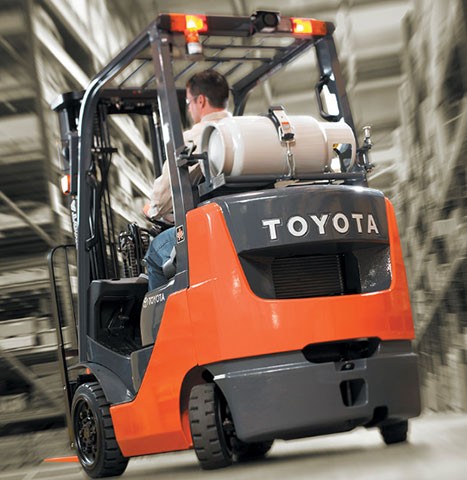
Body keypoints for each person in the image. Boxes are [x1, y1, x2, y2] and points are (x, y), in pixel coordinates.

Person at [143, 70, 231, 290]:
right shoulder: (248, 131)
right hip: (249, 224)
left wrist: (151, 209)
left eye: (189, 102)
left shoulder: (195, 138)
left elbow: (162, 198)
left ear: (200, 100)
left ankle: (161, 324)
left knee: (155, 252)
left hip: (215, 230)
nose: (189, 108)